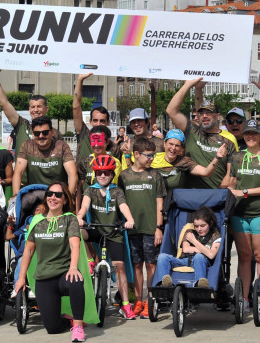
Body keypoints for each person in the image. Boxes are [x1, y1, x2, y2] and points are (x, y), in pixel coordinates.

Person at [13, 182, 92, 342]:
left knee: (76, 280)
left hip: (64, 274)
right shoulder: (37, 220)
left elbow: (74, 244)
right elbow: (28, 250)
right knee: (52, 329)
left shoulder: (70, 219)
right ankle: (67, 320)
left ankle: (77, 326)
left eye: (58, 195)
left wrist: (73, 268)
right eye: (50, 194)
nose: (53, 197)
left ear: (65, 200)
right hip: (44, 278)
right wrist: (21, 277)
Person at [225, 119, 260, 312]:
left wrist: (245, 192)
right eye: (247, 133)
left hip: (259, 213)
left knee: (259, 256)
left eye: (254, 133)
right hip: (239, 213)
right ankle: (245, 299)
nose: (250, 136)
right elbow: (231, 181)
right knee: (244, 256)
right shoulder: (237, 156)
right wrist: (229, 189)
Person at [77, 154, 138, 320]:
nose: (102, 175)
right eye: (99, 173)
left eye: (106, 172)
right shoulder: (91, 190)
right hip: (96, 230)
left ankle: (125, 305)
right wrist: (80, 217)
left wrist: (130, 219)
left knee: (120, 267)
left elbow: (123, 206)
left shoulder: (117, 191)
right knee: (76, 233)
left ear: (112, 174)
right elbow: (84, 205)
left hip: (113, 231)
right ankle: (89, 260)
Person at [118, 137, 167, 318]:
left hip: (150, 228)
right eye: (148, 155)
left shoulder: (155, 175)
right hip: (132, 229)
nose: (151, 159)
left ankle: (151, 300)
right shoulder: (124, 176)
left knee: (151, 265)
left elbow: (159, 202)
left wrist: (158, 227)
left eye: (153, 155)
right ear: (136, 154)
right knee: (136, 265)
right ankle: (139, 300)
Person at [166, 79, 237, 189]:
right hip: (191, 196)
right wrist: (188, 85)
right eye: (201, 113)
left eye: (209, 113)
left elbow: (232, 171)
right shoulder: (192, 130)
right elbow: (171, 111)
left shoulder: (229, 139)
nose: (204, 116)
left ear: (218, 116)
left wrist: (222, 193)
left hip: (216, 196)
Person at [154, 206, 222, 288]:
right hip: (184, 260)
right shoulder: (189, 231)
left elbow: (211, 255)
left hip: (201, 261)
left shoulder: (216, 236)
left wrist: (194, 241)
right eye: (196, 226)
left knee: (198, 257)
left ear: (210, 224)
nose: (199, 229)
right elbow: (186, 249)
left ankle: (200, 283)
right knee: (162, 257)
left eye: (202, 226)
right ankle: (164, 284)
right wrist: (205, 250)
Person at [13, 116, 77, 196]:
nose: (41, 136)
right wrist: (15, 196)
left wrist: (68, 198)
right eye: (37, 133)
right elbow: (18, 172)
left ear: (52, 132)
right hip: (34, 194)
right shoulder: (27, 145)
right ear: (33, 134)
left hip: (57, 195)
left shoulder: (62, 146)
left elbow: (72, 174)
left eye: (45, 132)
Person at [0, 63, 49, 148]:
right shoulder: (21, 125)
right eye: (32, 107)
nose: (35, 110)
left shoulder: (54, 133)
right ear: (29, 109)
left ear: (46, 109)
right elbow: (4, 103)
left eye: (39, 106)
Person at [151, 128, 226, 191]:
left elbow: (206, 172)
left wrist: (217, 157)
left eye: (177, 145)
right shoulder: (153, 158)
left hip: (172, 202)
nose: (173, 148)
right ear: (164, 143)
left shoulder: (183, 162)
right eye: (171, 144)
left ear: (181, 148)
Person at [73, 73, 114, 161]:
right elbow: (76, 107)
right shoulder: (84, 135)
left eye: (102, 121)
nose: (98, 124)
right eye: (95, 120)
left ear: (108, 122)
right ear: (90, 121)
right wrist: (80, 80)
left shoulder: (114, 147)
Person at [76, 126, 119, 195]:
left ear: (107, 141)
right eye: (93, 141)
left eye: (99, 141)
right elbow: (80, 186)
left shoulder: (115, 162)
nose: (96, 145)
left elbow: (116, 185)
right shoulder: (85, 161)